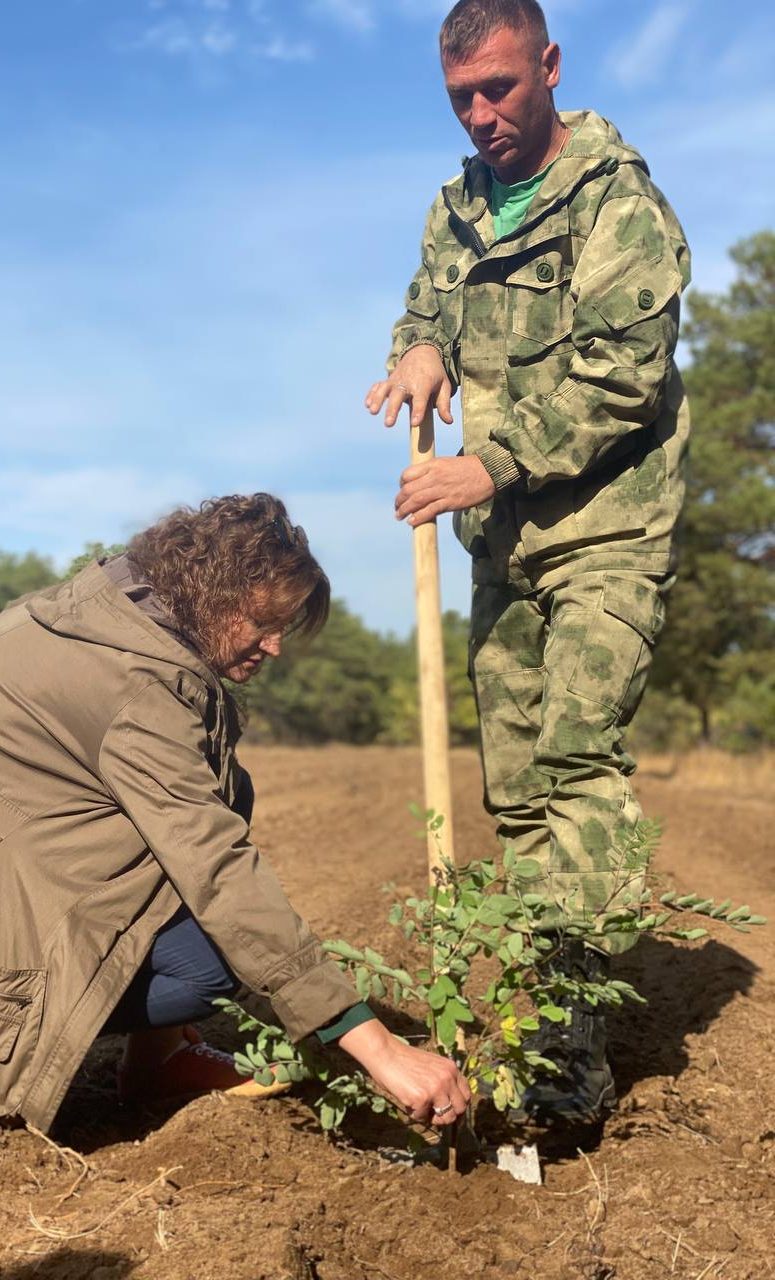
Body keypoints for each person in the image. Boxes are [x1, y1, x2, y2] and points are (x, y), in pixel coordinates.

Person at [0, 493, 469, 1172]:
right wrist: (374, 1045)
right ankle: (29, 1042)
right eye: (262, 623)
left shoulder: (110, 610)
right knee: (212, 962)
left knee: (227, 789)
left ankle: (160, 1060)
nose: (275, 646)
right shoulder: (138, 688)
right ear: (211, 596)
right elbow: (216, 867)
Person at [365, 0, 690, 1122]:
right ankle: (529, 995)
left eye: (499, 87)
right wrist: (418, 348)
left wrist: (486, 463)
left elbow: (622, 377)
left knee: (574, 762)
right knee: (512, 791)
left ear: (549, 66)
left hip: (605, 531)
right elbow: (429, 305)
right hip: (504, 545)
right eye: (461, 96)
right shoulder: (456, 208)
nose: (481, 114)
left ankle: (569, 1050)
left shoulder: (617, 202)